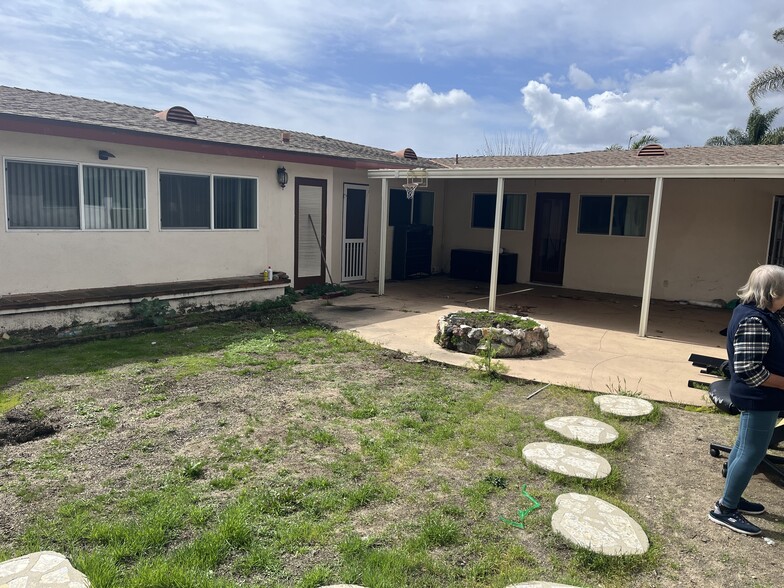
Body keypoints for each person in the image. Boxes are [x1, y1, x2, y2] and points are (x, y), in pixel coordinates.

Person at [709, 264, 784, 535]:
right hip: (759, 396)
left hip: (761, 396)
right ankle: (725, 509)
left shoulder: (760, 313)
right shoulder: (755, 320)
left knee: (744, 447)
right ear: (775, 292)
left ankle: (733, 496)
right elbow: (751, 370)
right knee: (752, 452)